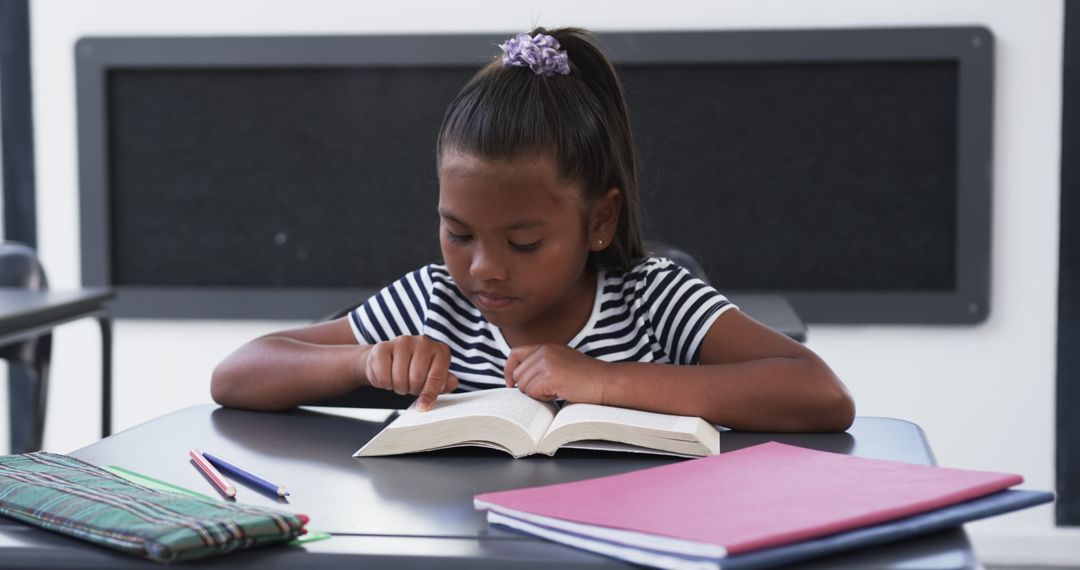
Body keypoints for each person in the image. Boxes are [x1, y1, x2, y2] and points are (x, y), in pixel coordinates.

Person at [211, 27, 855, 432]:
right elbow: (237, 375)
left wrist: (602, 382)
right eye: (458, 233)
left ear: (599, 220)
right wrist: (363, 359)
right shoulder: (432, 304)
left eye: (523, 243)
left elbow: (821, 394)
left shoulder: (652, 299)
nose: (484, 267)